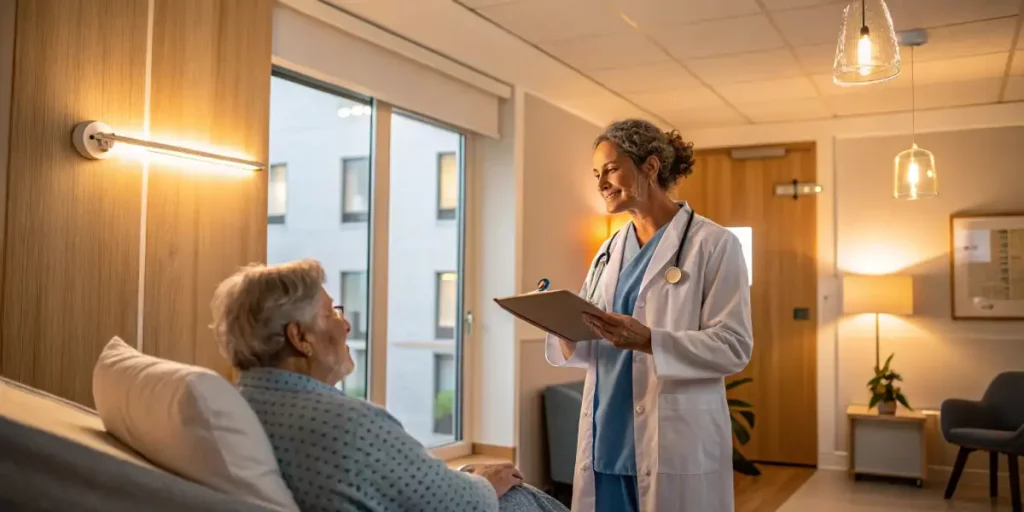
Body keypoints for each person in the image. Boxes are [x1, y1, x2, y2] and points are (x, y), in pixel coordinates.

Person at [210, 259, 568, 512]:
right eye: (332, 312)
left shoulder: (231, 408)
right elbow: (461, 504)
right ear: (300, 337)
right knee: (517, 497)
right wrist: (484, 480)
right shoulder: (349, 424)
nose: (345, 325)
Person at [544, 119, 753, 512]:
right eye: (596, 174)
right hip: (606, 435)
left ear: (650, 167)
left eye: (610, 169)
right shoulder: (608, 251)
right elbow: (593, 339)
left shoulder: (713, 245)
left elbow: (733, 347)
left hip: (672, 439)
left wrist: (648, 339)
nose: (601, 183)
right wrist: (563, 328)